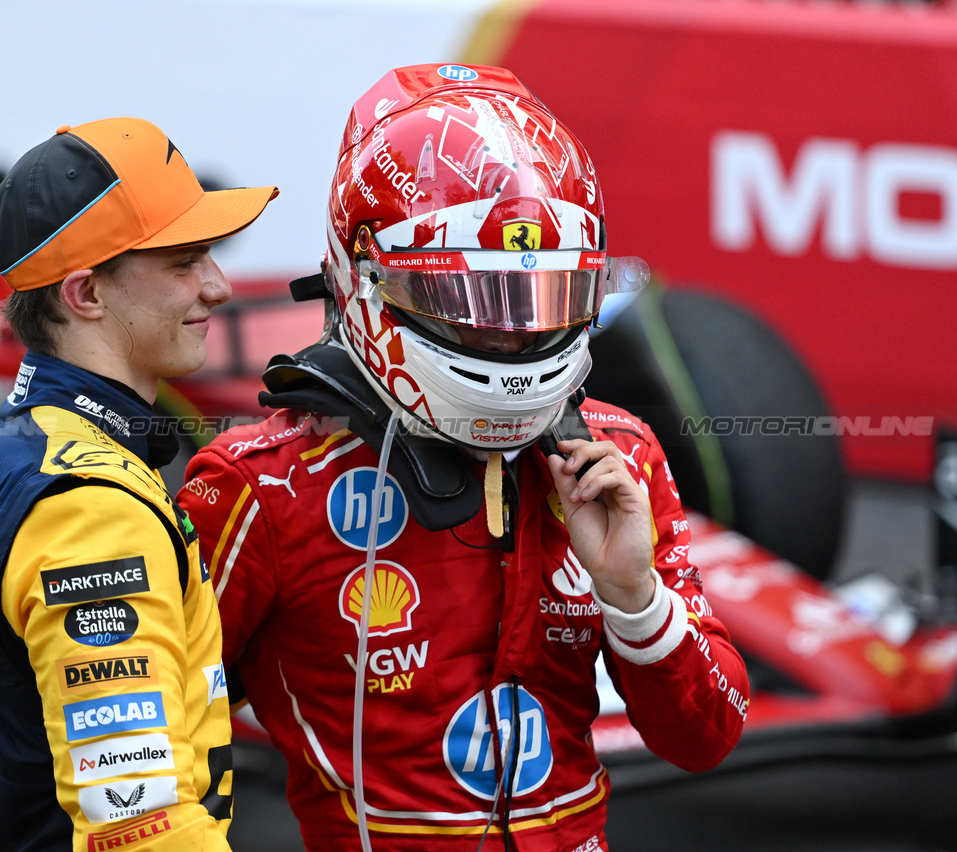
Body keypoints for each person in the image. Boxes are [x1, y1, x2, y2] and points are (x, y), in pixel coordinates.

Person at [177, 65, 748, 851]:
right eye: (476, 308)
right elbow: (143, 737)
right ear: (366, 281)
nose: (513, 340)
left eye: (540, 303)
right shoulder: (261, 486)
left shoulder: (619, 455)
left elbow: (707, 735)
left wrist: (633, 593)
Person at [0, 117, 276, 851]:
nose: (217, 286)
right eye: (185, 262)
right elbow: (138, 823)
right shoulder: (90, 508)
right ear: (86, 293)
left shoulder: (13, 441)